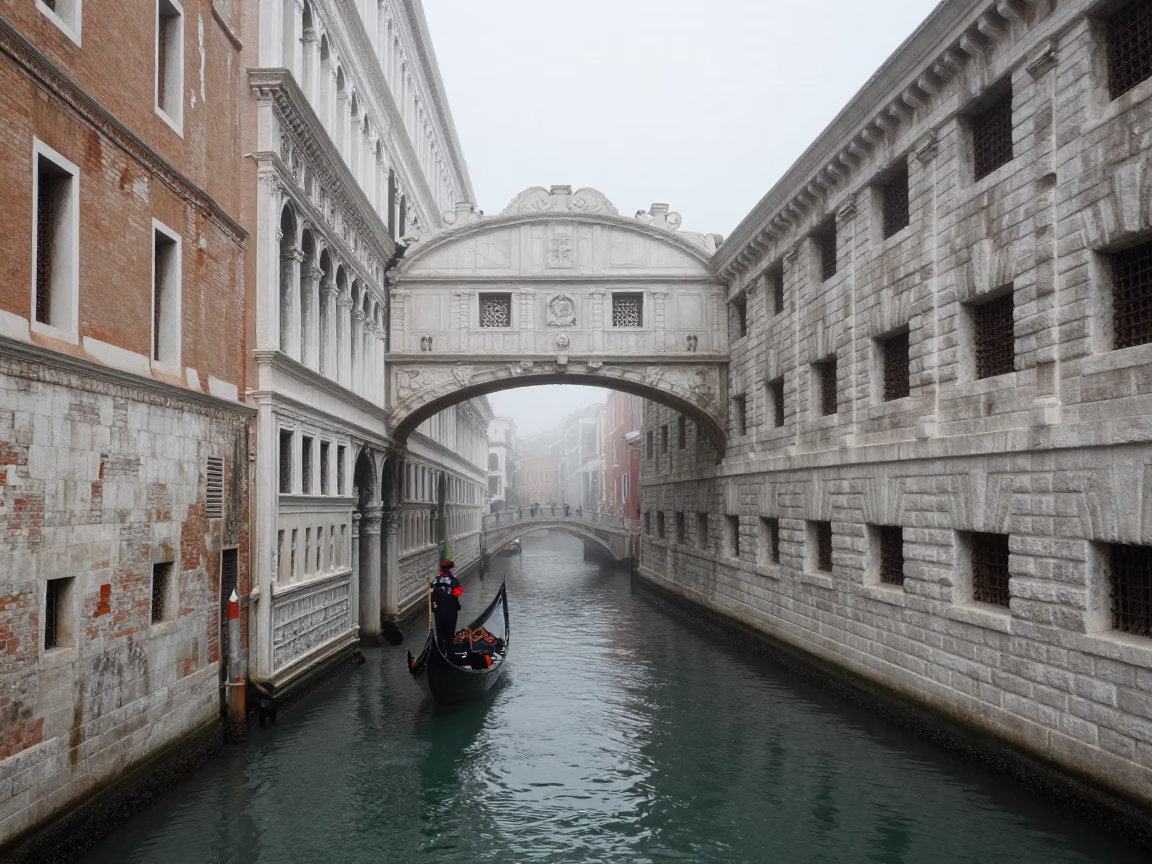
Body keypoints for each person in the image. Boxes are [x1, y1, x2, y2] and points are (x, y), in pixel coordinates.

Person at [430, 557, 462, 650]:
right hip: (450, 612)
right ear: (449, 570)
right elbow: (456, 584)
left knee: (440, 635)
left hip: (439, 612)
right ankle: (448, 650)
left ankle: (440, 649)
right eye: (453, 569)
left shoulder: (435, 581)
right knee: (449, 635)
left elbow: (432, 595)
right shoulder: (453, 581)